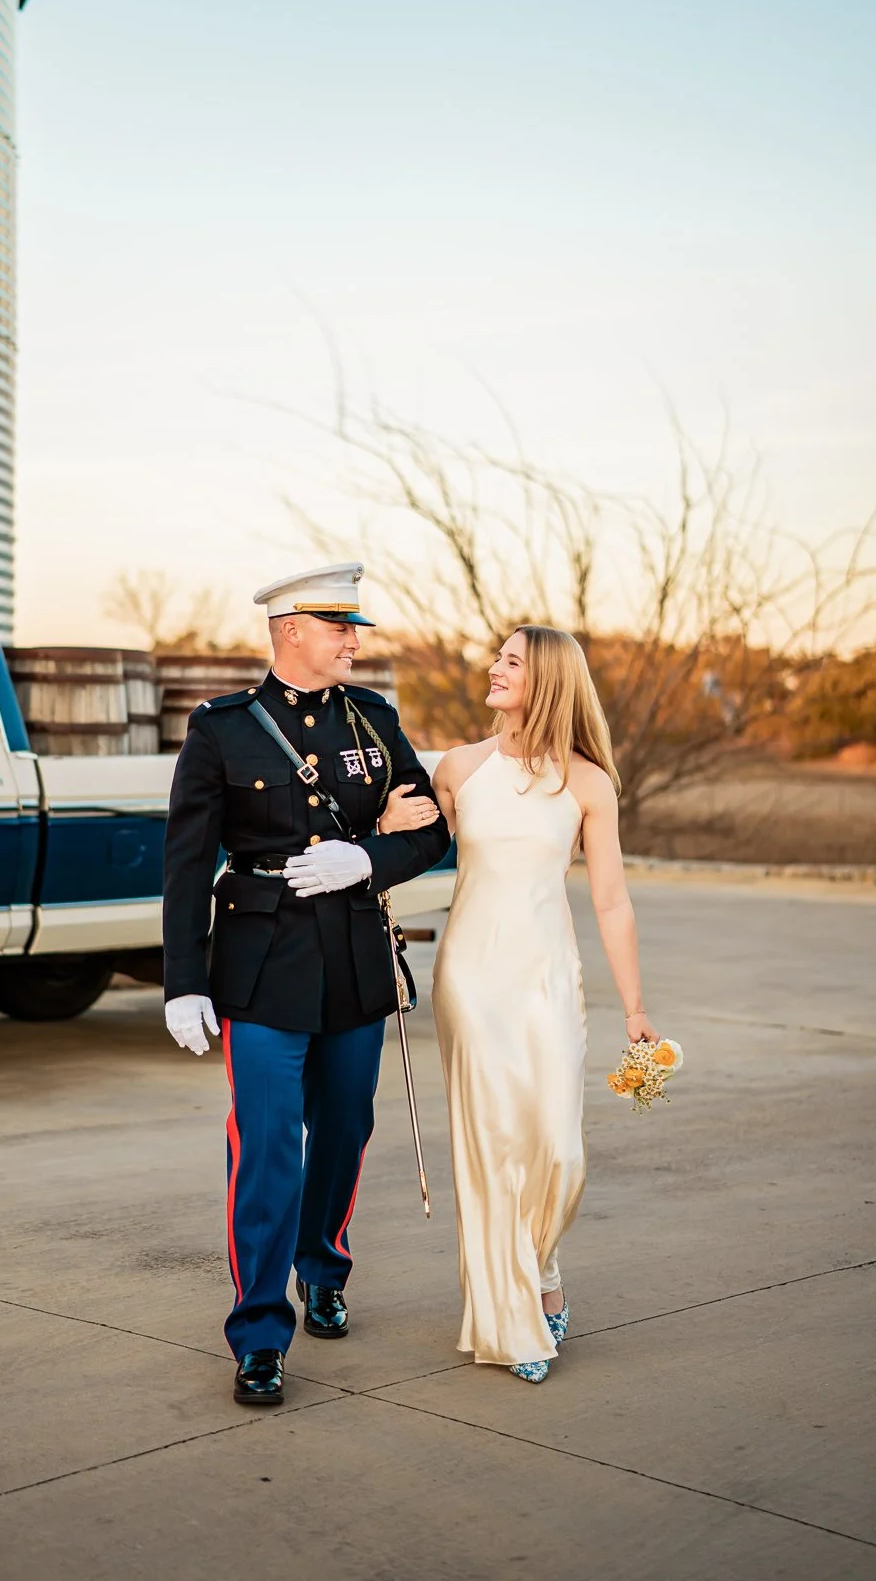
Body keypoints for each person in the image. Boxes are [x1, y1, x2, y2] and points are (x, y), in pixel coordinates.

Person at [162, 562, 451, 1405]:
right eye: (339, 627)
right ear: (291, 630)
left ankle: (323, 1266)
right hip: (259, 965)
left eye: (353, 628)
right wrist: (184, 980)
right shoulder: (223, 729)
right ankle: (259, 1330)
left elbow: (428, 830)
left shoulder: (375, 719)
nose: (353, 641)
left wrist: (366, 854)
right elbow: (186, 866)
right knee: (263, 1144)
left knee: (344, 1128)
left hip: (357, 950)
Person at [428, 625, 659, 1384]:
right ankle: (515, 1321)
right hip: (471, 976)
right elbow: (416, 848)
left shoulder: (588, 782)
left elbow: (613, 901)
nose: (493, 669)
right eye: (495, 657)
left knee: (558, 1149)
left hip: (548, 977)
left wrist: (634, 1007)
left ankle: (543, 1264)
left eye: (511, 661)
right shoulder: (459, 767)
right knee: (493, 1146)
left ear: (548, 679)